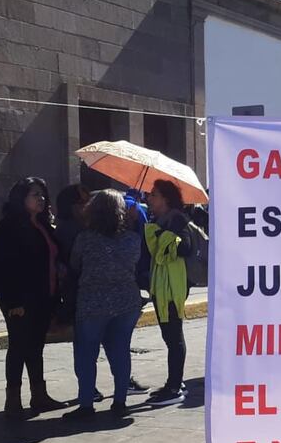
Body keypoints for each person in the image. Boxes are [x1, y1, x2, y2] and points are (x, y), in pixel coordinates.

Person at [0, 177, 66, 418]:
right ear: (21, 198)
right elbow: (3, 266)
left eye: (43, 195)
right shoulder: (8, 227)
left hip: (44, 294)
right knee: (19, 346)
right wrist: (14, 302)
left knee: (36, 346)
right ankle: (13, 399)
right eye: (35, 194)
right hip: (19, 297)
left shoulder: (43, 225)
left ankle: (39, 394)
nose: (41, 199)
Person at [66, 190, 143, 419]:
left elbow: (75, 264)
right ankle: (120, 401)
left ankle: (86, 404)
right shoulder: (133, 239)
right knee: (120, 352)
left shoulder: (85, 238)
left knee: (86, 354)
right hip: (127, 302)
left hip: (92, 303)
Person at [145, 179, 192, 406]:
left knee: (174, 337)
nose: (149, 199)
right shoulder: (159, 220)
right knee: (168, 335)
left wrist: (166, 234)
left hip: (173, 288)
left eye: (154, 195)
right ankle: (174, 381)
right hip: (161, 287)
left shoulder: (178, 221)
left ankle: (174, 387)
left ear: (166, 198)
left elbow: (183, 248)